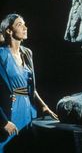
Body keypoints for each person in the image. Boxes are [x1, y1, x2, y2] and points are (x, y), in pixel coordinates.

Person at [0, 13, 58, 152]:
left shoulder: (27, 53)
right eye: (19, 24)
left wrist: (44, 107)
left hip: (29, 109)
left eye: (24, 24)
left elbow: (31, 87)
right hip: (10, 111)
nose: (25, 27)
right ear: (9, 30)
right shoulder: (1, 55)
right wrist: (3, 122)